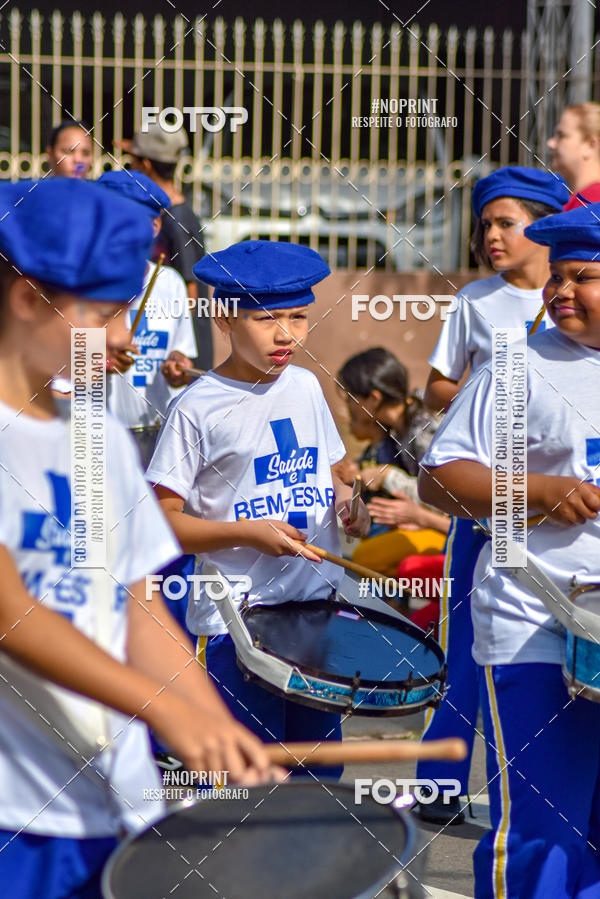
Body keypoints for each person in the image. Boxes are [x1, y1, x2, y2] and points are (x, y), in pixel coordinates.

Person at [0, 179, 275, 899]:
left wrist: (215, 728)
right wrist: (163, 710)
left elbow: (138, 604)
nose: (125, 337)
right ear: (29, 299)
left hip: (119, 806)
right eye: (107, 311)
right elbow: (11, 613)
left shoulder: (99, 438)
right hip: (14, 813)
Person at [418, 200, 600, 898]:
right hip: (536, 628)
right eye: (556, 275)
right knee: (542, 839)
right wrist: (535, 491)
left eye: (580, 276)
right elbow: (441, 479)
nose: (558, 291)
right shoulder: (519, 365)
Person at [147, 239, 370, 779]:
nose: (287, 334)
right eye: (268, 318)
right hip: (238, 625)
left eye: (299, 317)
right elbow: (163, 525)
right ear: (224, 317)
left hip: (313, 617)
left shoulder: (307, 386)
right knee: (250, 787)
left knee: (320, 782)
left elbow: (337, 472)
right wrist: (247, 533)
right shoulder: (195, 408)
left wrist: (351, 503)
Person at [95, 169, 197, 436]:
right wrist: (97, 360)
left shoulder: (171, 283)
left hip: (158, 430)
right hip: (99, 433)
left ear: (155, 227)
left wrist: (178, 365)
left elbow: (180, 350)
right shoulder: (81, 282)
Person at [336, 347, 449, 579]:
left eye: (351, 397)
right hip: (421, 524)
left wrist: (388, 477)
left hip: (449, 532)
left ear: (374, 399)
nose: (348, 405)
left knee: (365, 561)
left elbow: (446, 498)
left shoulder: (425, 429)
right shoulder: (398, 427)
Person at [121, 123, 213, 369]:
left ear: (146, 165)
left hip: (178, 356)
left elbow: (190, 294)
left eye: (133, 162)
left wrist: (177, 349)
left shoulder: (176, 219)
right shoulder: (172, 212)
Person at [548, 103, 600, 211]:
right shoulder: (580, 201)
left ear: (590, 145)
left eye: (561, 136)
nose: (551, 143)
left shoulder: (591, 202)